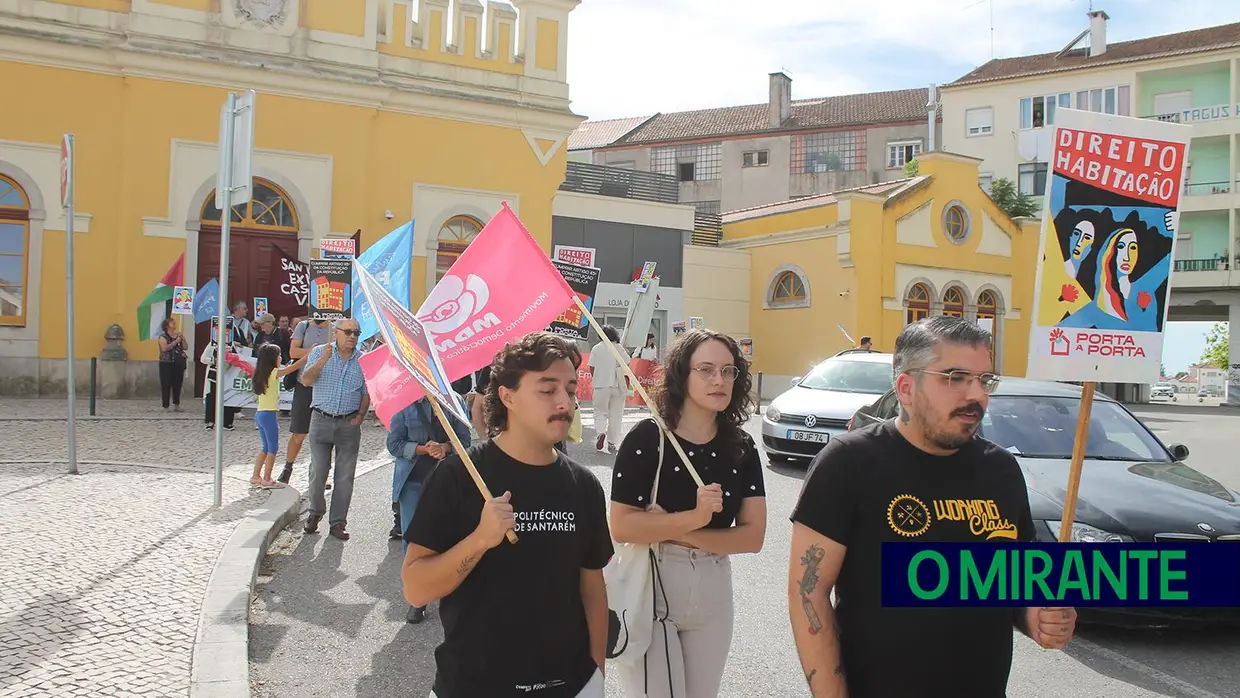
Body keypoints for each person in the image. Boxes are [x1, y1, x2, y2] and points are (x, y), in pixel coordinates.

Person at [788, 317, 1077, 698]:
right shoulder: (848, 463)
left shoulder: (1001, 470)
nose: (976, 395)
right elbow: (807, 591)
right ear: (906, 387)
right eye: (955, 378)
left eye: (984, 380)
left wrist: (1037, 616)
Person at [402, 332, 612, 698]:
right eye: (547, 390)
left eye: (571, 390)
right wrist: (481, 540)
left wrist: (597, 674)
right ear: (507, 396)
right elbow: (416, 589)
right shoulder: (459, 477)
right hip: (472, 686)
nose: (564, 402)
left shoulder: (584, 486)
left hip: (571, 685)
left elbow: (592, 589)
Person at [608, 328, 766, 697]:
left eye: (729, 371)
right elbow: (623, 525)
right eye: (707, 369)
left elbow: (752, 536)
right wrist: (693, 518)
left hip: (713, 588)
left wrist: (678, 529)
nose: (719, 380)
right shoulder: (649, 438)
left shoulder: (740, 446)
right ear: (683, 373)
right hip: (654, 582)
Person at [387, 395, 473, 623]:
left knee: (452, 538)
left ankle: (452, 590)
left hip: (448, 480)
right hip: (413, 481)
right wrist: (423, 449)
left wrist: (444, 447)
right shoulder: (403, 402)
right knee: (412, 539)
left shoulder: (454, 401)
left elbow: (465, 442)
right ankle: (417, 599)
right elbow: (394, 444)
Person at [299, 317, 370, 541]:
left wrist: (360, 415)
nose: (352, 337)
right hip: (320, 419)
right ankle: (315, 511)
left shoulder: (363, 360)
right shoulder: (320, 352)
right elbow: (306, 381)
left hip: (348, 423)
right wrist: (322, 361)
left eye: (356, 333)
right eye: (348, 332)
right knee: (318, 471)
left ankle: (338, 522)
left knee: (345, 476)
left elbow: (367, 391)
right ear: (336, 333)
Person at [276, 317, 334, 484]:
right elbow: (294, 352)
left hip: (324, 387)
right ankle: (288, 466)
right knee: (299, 432)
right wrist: (315, 352)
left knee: (323, 435)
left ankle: (320, 473)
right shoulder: (304, 326)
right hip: (304, 385)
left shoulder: (334, 329)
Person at [250, 343, 301, 487]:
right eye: (278, 355)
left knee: (265, 447)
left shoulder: (260, 373)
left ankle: (255, 476)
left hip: (260, 414)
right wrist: (307, 356)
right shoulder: (273, 373)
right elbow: (292, 368)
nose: (280, 358)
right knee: (273, 448)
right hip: (269, 415)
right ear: (272, 359)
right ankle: (267, 478)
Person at [587, 325, 630, 453]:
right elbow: (627, 362)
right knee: (616, 415)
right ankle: (612, 442)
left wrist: (597, 377)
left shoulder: (597, 348)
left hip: (601, 385)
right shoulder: (618, 348)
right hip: (618, 385)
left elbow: (592, 367)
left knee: (600, 412)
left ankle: (600, 433)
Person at [200, 328, 238, 430]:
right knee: (212, 398)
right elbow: (203, 358)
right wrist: (214, 360)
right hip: (214, 375)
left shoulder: (231, 345)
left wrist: (231, 360)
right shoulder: (212, 345)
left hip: (228, 376)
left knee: (229, 397)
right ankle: (210, 421)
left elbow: (236, 357)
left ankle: (227, 422)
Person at [156, 317, 188, 412]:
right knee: (166, 384)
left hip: (178, 363)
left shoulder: (178, 335)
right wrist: (175, 342)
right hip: (166, 363)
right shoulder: (163, 337)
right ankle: (166, 405)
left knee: (177, 384)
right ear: (166, 326)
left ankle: (176, 404)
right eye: (171, 323)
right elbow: (164, 348)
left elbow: (185, 347)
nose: (174, 324)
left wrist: (183, 339)